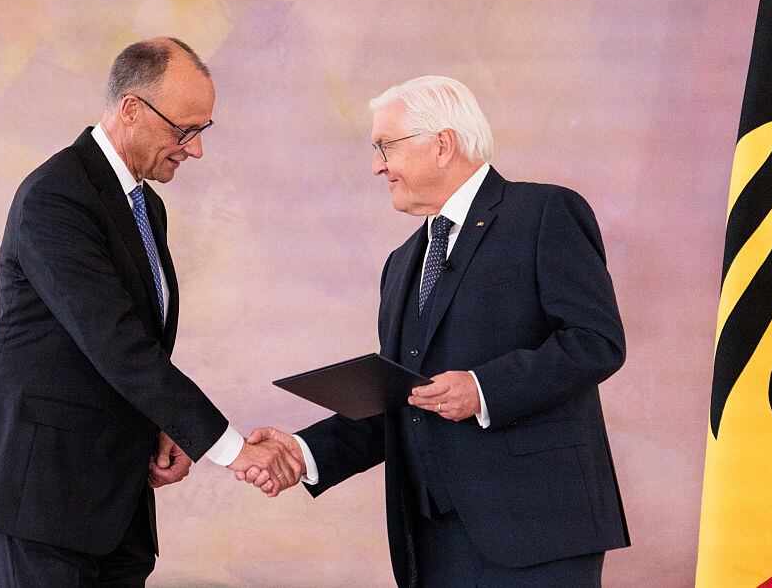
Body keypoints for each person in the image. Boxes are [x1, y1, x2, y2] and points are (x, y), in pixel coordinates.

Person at [243, 76, 629, 586]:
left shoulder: (544, 212)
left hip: (538, 534)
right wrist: (304, 451)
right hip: (431, 544)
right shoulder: (401, 263)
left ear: (442, 144)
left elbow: (595, 341)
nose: (377, 165)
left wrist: (483, 389)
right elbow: (404, 398)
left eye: (385, 146)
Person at [0, 37, 300, 586]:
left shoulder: (146, 207)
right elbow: (118, 345)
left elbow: (136, 343)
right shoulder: (56, 196)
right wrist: (229, 448)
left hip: (115, 501)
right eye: (184, 130)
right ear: (131, 109)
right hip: (45, 498)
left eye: (202, 132)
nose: (195, 150)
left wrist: (160, 425)